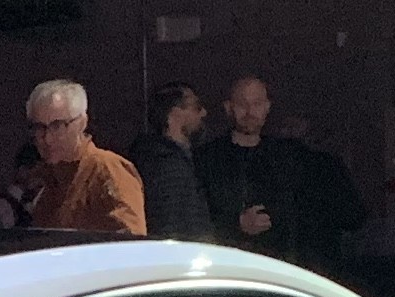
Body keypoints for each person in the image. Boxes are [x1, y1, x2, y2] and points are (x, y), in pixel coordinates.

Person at [195, 75, 310, 257]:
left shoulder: (287, 158)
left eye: (256, 104)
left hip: (276, 262)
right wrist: (236, 224)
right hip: (223, 260)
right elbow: (195, 216)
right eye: (242, 104)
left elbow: (299, 215)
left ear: (267, 107)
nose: (249, 112)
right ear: (228, 107)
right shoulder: (206, 158)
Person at [17, 78, 147, 234]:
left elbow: (132, 241)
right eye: (39, 128)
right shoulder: (42, 181)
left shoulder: (107, 169)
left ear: (82, 123)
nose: (48, 139)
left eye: (58, 126)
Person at [131, 81, 214, 238]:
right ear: (175, 114)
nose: (203, 113)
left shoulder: (166, 158)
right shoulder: (167, 165)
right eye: (196, 107)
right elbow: (172, 223)